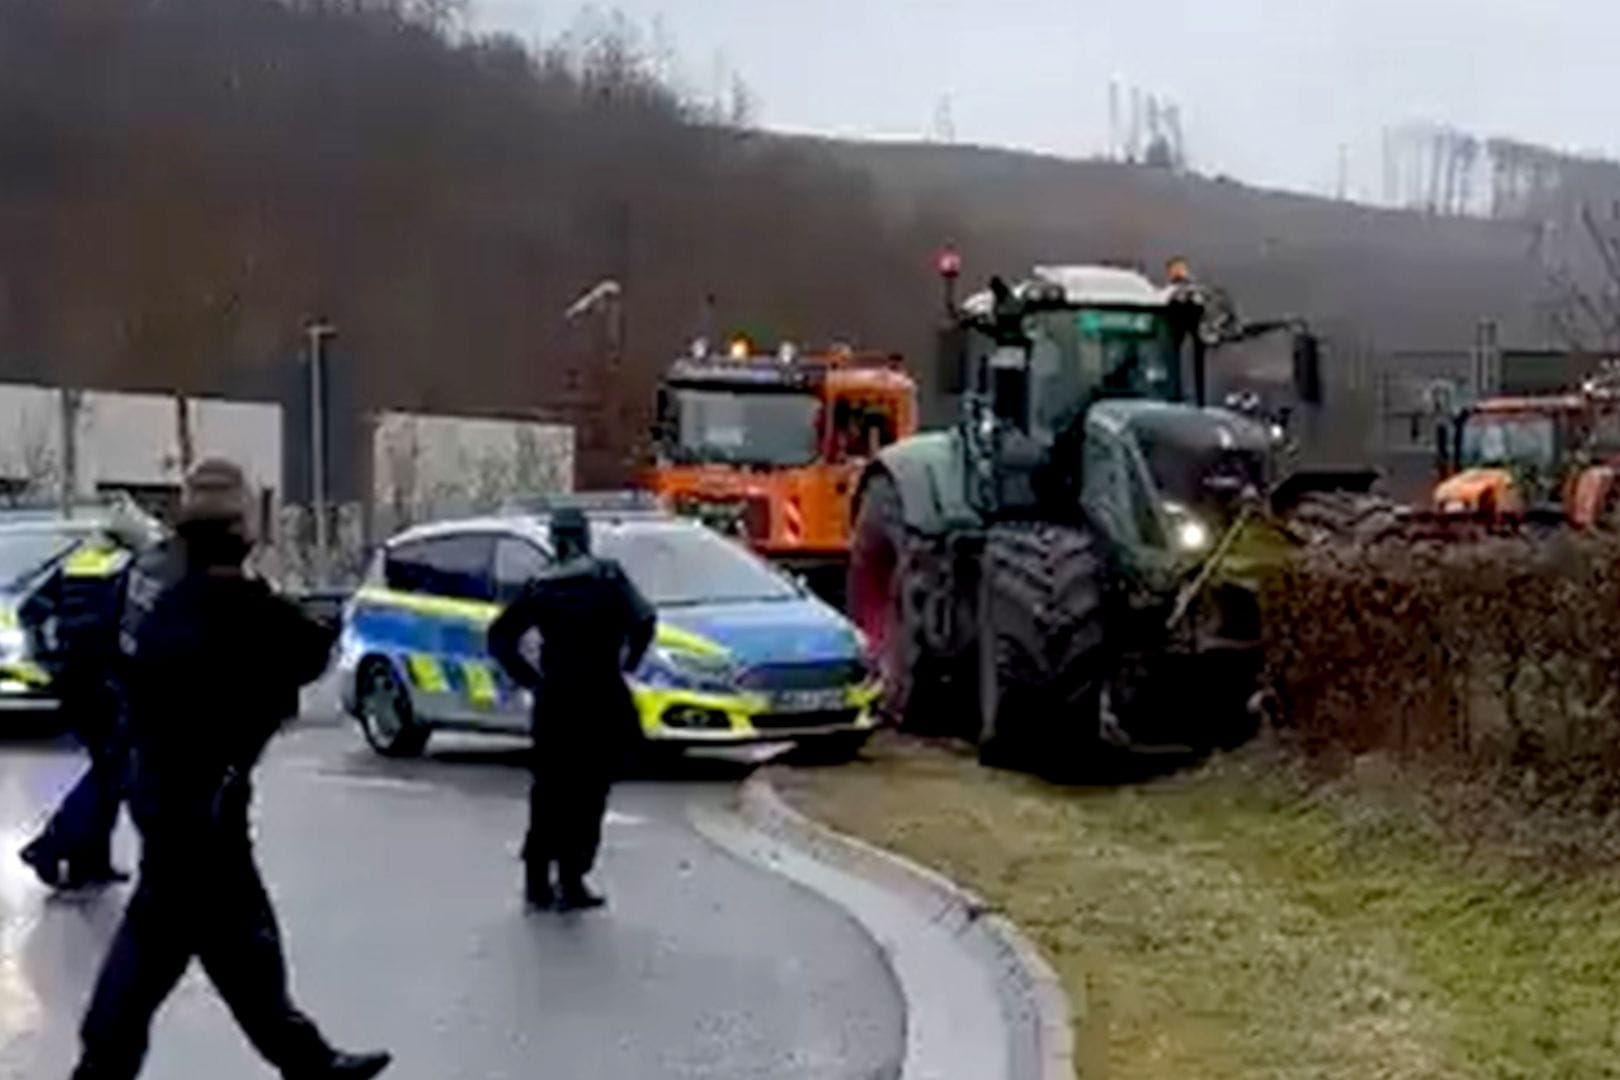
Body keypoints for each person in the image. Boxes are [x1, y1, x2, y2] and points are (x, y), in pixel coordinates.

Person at [70, 459, 391, 1080]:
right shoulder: (236, 602)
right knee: (175, 939)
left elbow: (100, 654)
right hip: (204, 798)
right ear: (241, 528)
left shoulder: (151, 588)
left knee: (226, 936)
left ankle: (306, 1058)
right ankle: (105, 1069)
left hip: (165, 787)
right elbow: (307, 649)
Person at [488, 507, 656, 912]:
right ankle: (572, 876)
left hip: (555, 700)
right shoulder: (608, 578)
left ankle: (536, 879)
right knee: (589, 790)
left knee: (549, 789)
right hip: (599, 696)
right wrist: (627, 663)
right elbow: (645, 620)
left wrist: (531, 679)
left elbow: (500, 637)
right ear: (585, 536)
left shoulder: (540, 585)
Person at [17, 507, 154, 889]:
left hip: (73, 680)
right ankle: (50, 844)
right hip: (109, 680)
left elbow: (31, 609)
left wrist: (47, 658)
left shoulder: (76, 563)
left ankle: (89, 865)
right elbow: (129, 625)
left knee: (107, 766)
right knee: (113, 772)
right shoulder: (126, 569)